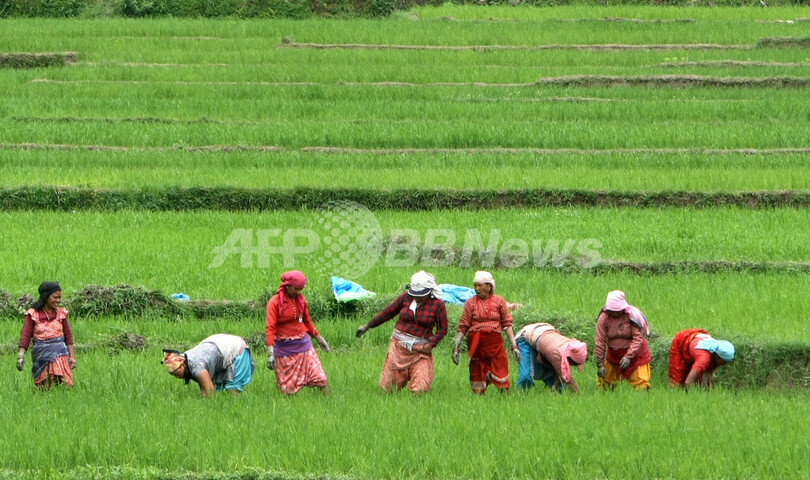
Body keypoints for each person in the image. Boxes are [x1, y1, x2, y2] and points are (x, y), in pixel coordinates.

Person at [356, 270, 448, 394]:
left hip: (420, 349)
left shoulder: (437, 305)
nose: (417, 297)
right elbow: (388, 312)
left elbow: (443, 328)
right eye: (415, 293)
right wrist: (367, 326)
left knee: (420, 388)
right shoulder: (406, 297)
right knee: (386, 390)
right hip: (398, 347)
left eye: (421, 294)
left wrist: (431, 345)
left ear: (429, 291)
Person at [451, 271, 519, 394]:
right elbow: (463, 326)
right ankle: (479, 400)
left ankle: (505, 399)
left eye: (480, 285)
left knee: (501, 368)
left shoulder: (499, 302)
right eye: (475, 285)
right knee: (477, 371)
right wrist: (456, 347)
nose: (476, 289)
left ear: (489, 286)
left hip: (495, 344)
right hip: (477, 345)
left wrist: (514, 346)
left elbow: (507, 324)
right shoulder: (470, 303)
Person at [265, 270, 331, 395]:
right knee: (287, 390)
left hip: (304, 346)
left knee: (321, 378)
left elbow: (307, 321)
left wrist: (319, 338)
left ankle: (330, 405)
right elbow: (270, 328)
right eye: (296, 289)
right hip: (284, 350)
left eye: (301, 289)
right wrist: (270, 353)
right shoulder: (274, 303)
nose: (299, 292)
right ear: (287, 286)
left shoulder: (300, 300)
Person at [17, 282, 75, 389]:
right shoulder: (33, 314)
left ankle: (64, 399)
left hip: (60, 352)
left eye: (59, 297)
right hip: (41, 353)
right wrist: (21, 356)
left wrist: (71, 356)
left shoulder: (61, 313)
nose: (58, 300)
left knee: (65, 382)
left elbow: (68, 335)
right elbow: (25, 335)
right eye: (55, 297)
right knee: (44, 386)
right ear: (46, 297)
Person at [162, 333, 255, 397]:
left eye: (177, 374)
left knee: (232, 389)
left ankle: (234, 409)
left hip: (235, 348)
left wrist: (205, 406)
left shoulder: (197, 366)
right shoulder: (186, 357)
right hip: (218, 345)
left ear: (183, 365)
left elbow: (209, 391)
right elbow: (204, 386)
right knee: (220, 390)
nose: (178, 377)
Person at [594, 290, 652, 390]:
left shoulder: (630, 316)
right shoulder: (604, 318)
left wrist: (628, 356)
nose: (615, 314)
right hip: (614, 354)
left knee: (640, 384)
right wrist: (600, 364)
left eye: (617, 311)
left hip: (636, 355)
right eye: (612, 311)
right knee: (606, 384)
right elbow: (600, 340)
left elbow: (638, 338)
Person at [515, 322, 587, 393]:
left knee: (561, 388)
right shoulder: (556, 354)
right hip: (526, 335)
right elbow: (565, 377)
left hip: (545, 334)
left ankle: (554, 390)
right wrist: (578, 393)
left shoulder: (569, 346)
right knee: (525, 375)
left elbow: (560, 372)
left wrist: (555, 386)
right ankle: (523, 394)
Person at [668, 328, 734, 390]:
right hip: (682, 340)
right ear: (718, 357)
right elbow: (688, 382)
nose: (725, 364)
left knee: (700, 379)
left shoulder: (715, 351)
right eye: (724, 362)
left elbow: (706, 375)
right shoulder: (703, 360)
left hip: (698, 339)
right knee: (678, 378)